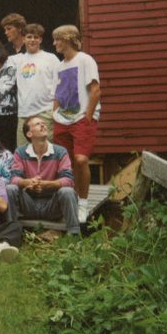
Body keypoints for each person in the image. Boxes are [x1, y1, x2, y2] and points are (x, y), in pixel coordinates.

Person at [52, 25, 102, 223]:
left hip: (82, 118)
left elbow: (96, 90)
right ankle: (69, 202)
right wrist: (54, 113)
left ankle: (83, 202)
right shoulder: (59, 66)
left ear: (68, 39)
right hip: (61, 119)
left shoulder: (84, 59)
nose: (54, 43)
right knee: (65, 164)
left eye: (57, 39)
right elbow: (56, 93)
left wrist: (88, 116)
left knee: (81, 160)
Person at [6, 116, 80, 234]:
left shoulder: (60, 151)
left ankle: (74, 233)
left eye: (43, 123)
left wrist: (47, 184)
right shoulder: (20, 152)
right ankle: (10, 231)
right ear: (29, 134)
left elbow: (68, 180)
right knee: (10, 188)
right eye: (37, 124)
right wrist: (27, 182)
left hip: (52, 205)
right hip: (28, 204)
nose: (43, 125)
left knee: (67, 191)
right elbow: (14, 178)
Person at [6, 23, 60, 147]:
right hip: (24, 114)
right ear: (23, 39)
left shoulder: (51, 58)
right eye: (29, 37)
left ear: (40, 40)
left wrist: (55, 111)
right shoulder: (16, 60)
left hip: (45, 112)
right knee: (22, 152)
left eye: (36, 37)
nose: (32, 40)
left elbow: (59, 85)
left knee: (46, 151)